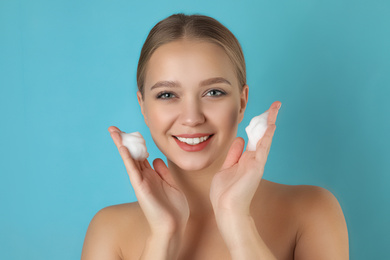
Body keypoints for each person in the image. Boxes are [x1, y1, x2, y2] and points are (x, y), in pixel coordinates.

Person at [81, 13, 349, 260]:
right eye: (167, 94)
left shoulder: (311, 212)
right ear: (143, 106)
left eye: (213, 92)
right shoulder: (109, 231)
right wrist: (163, 237)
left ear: (242, 103)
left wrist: (238, 224)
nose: (192, 117)